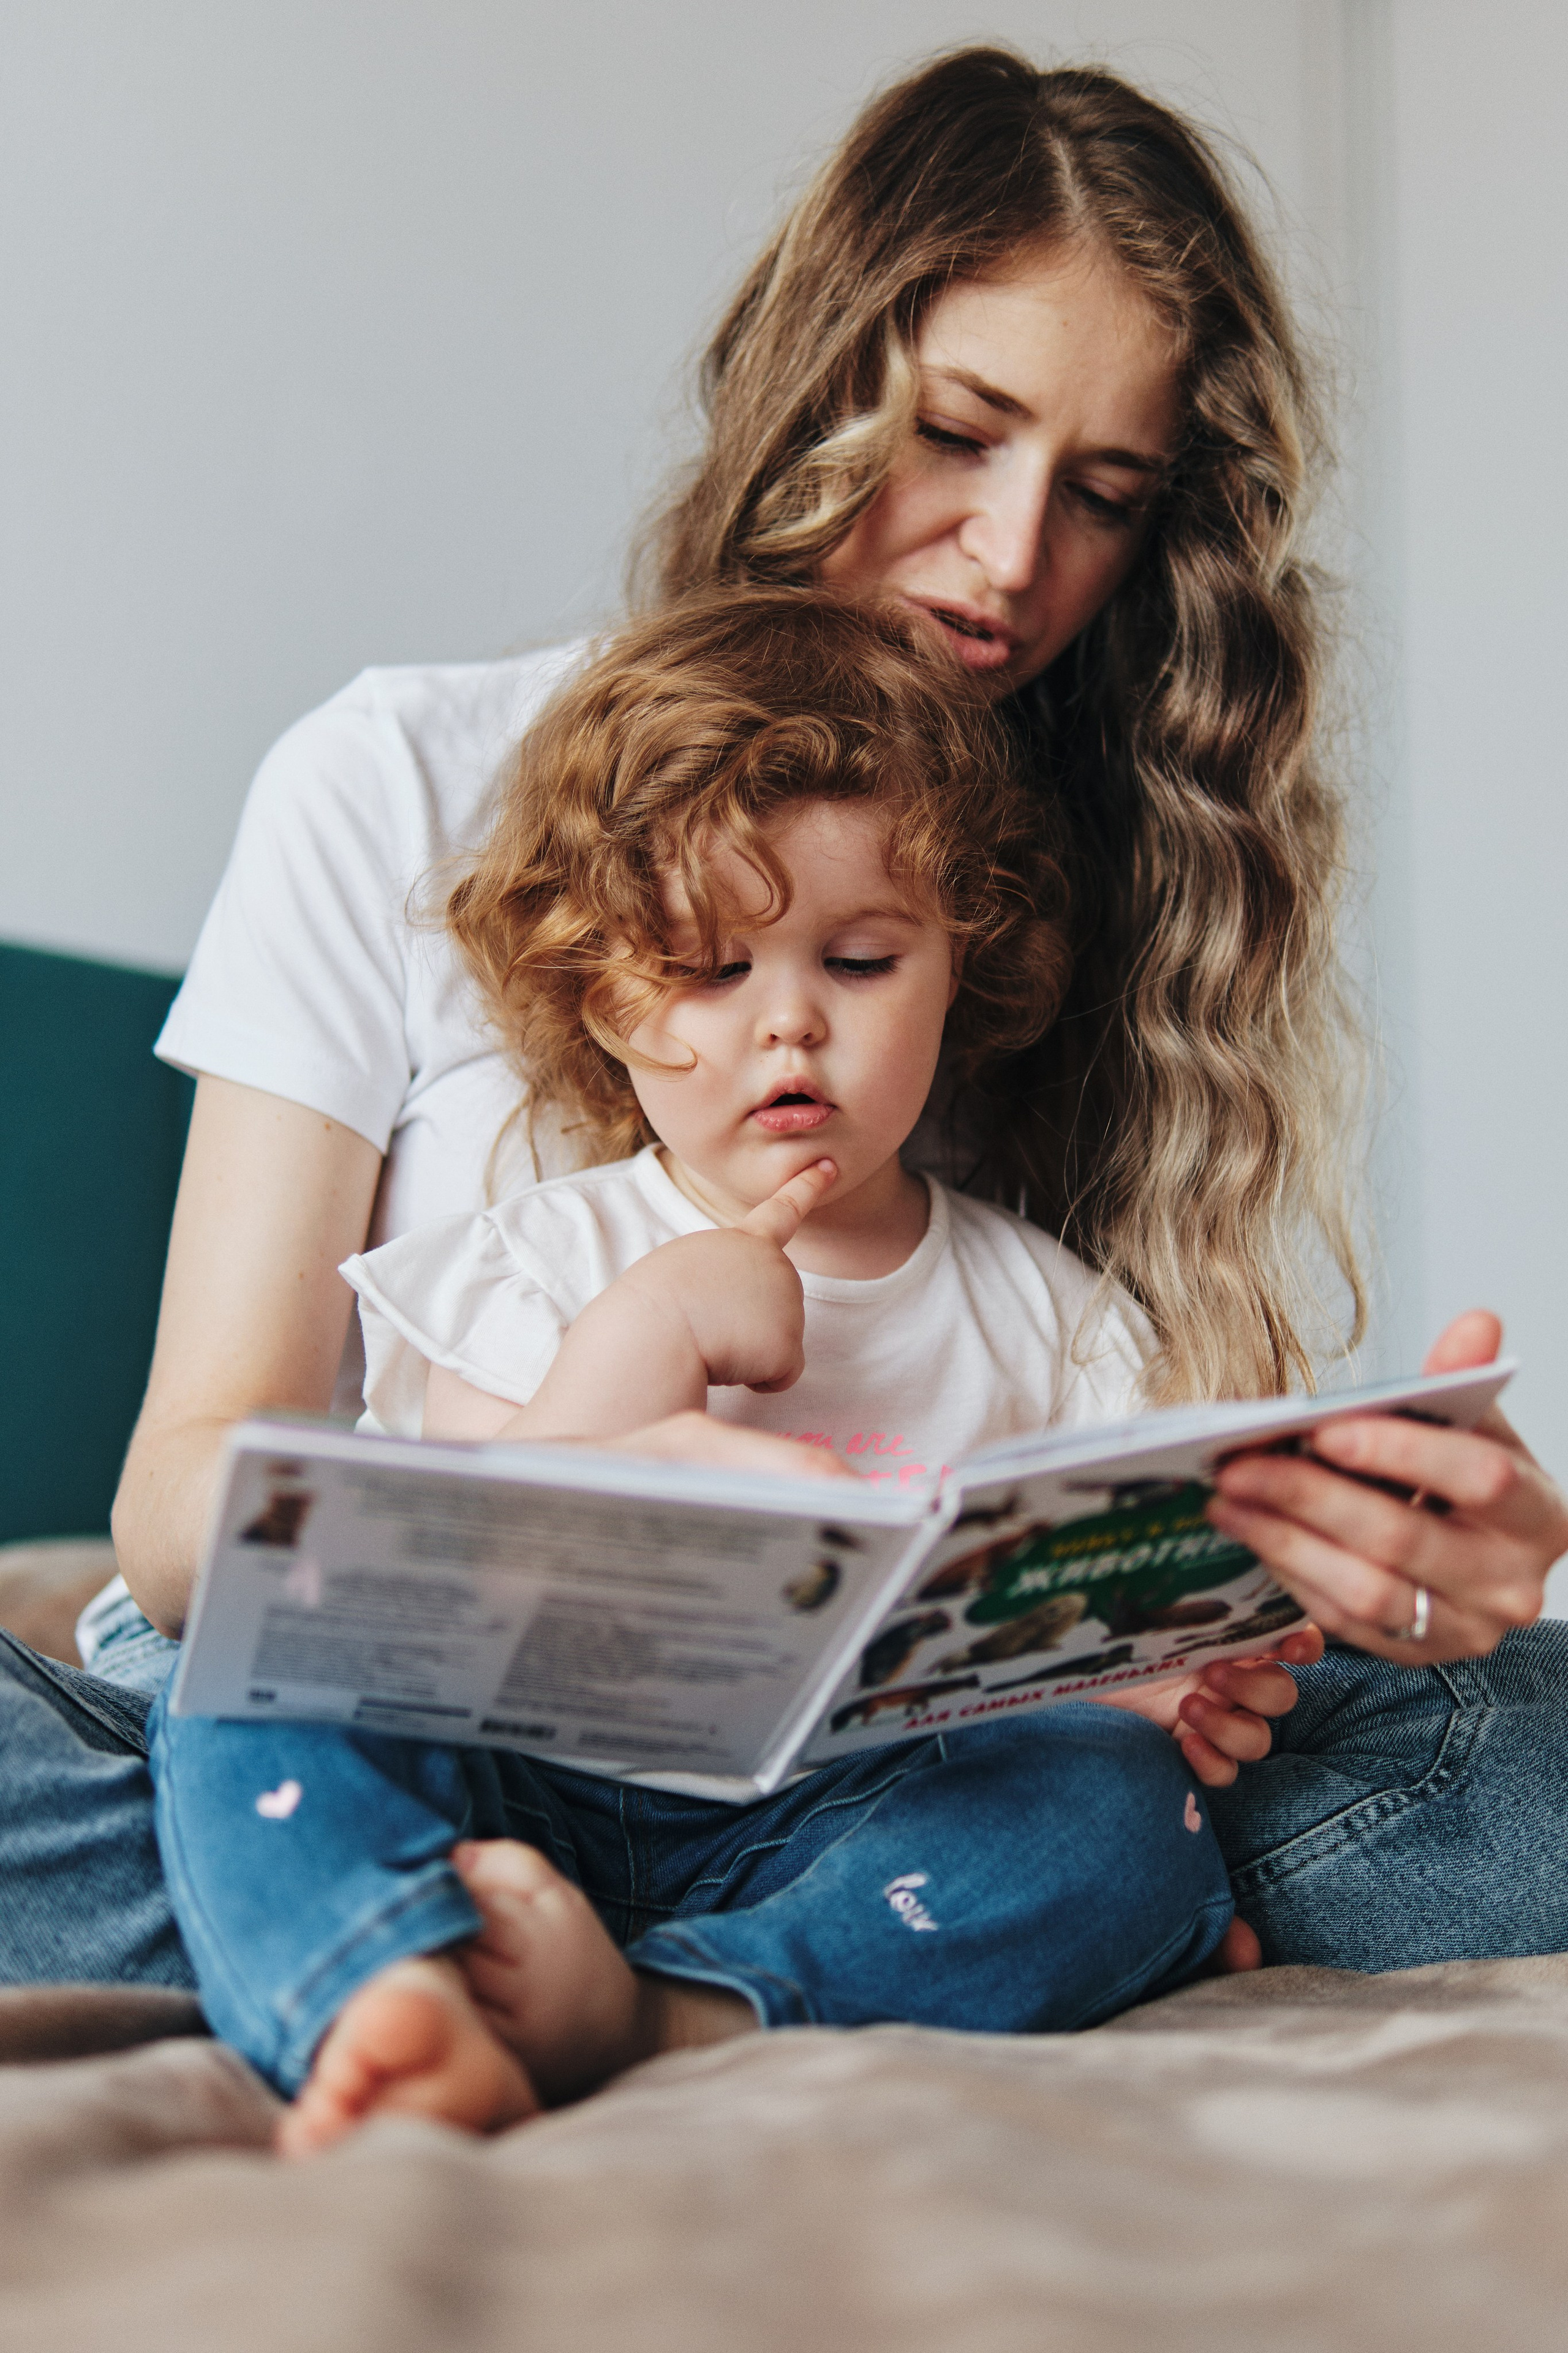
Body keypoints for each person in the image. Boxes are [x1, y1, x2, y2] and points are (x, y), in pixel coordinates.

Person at [3, 47, 1565, 2002]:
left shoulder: (1079, 911)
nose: (1014, 559)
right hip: (391, 1708)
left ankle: (611, 1979)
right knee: (206, 1724)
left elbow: (1114, 1580)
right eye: (960, 433)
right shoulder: (398, 776)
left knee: (1480, 1748)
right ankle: (559, 1922)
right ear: (817, 381)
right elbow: (184, 1520)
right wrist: (574, 1513)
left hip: (859, 1778)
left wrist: (1373, 1583)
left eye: (1102, 495)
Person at [151, 586, 1307, 2151]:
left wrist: (1157, 1682)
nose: (788, 1028)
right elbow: (445, 1579)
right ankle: (381, 1988)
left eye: (858, 960)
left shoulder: (1056, 1320)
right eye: (708, 970)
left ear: (958, 961)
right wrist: (645, 1337)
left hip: (839, 1830)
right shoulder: (532, 1257)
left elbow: (1094, 1617)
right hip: (512, 1794)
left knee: (1126, 1817)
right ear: (603, 994)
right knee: (252, 1662)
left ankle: (670, 2013)